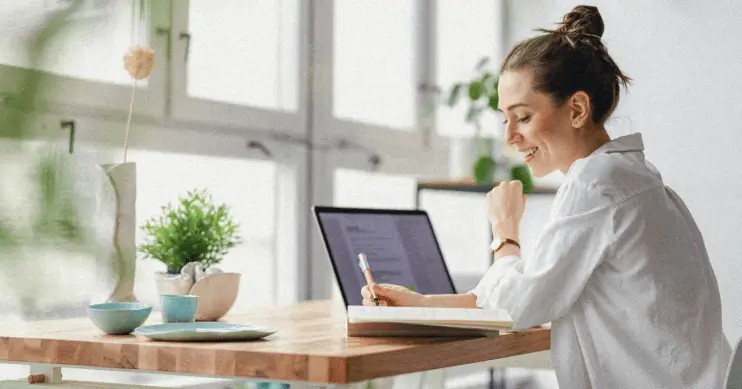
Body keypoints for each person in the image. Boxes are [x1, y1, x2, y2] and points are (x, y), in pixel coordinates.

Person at [361, 5, 732, 389]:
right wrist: (420, 305)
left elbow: (518, 306)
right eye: (506, 119)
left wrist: (505, 232)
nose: (510, 137)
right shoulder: (630, 177)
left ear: (576, 109)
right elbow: (532, 291)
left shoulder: (596, 184)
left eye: (522, 117)